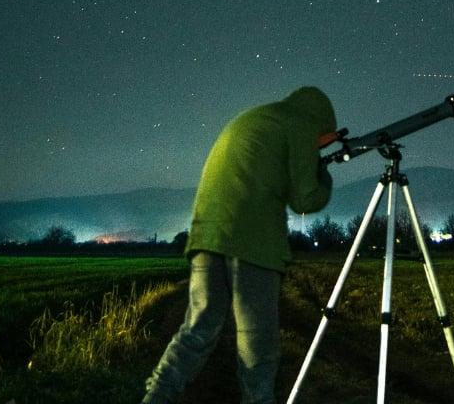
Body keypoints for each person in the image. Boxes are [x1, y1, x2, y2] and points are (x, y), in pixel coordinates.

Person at [142, 86, 339, 404]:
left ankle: (156, 396)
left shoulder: (256, 117)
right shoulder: (302, 123)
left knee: (198, 328)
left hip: (208, 235)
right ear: (321, 122)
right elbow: (305, 198)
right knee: (257, 341)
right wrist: (323, 174)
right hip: (253, 240)